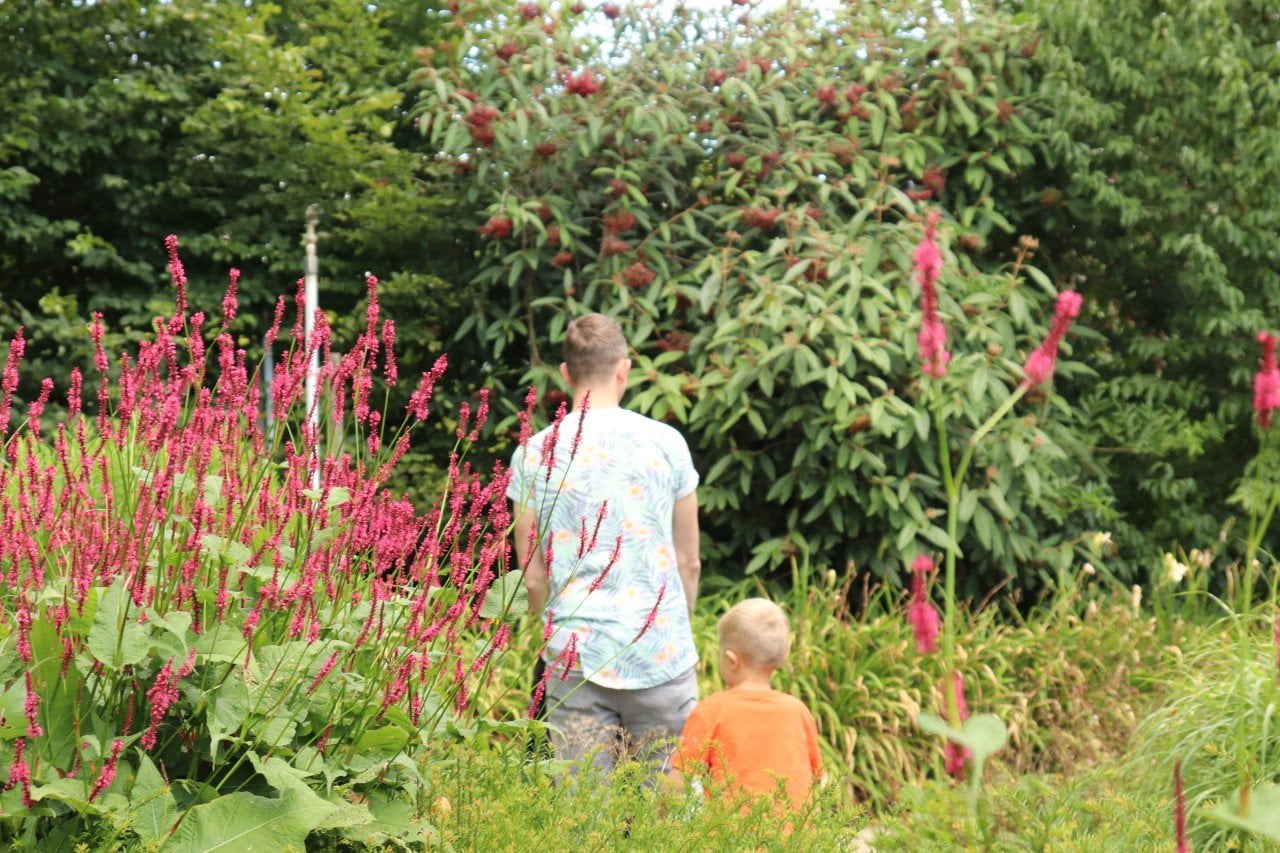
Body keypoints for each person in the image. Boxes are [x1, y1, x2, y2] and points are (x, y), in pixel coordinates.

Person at [508, 313, 701, 773]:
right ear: (624, 369)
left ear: (565, 374)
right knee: (670, 815)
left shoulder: (534, 453)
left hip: (576, 658)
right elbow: (688, 560)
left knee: (584, 817)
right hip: (661, 653)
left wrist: (544, 624)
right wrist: (675, 625)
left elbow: (533, 576)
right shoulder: (667, 443)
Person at [669, 598, 822, 810]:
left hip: (731, 837)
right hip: (793, 838)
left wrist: (659, 821)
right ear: (783, 656)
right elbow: (817, 778)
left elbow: (678, 780)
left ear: (732, 660)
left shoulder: (712, 710)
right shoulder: (798, 711)